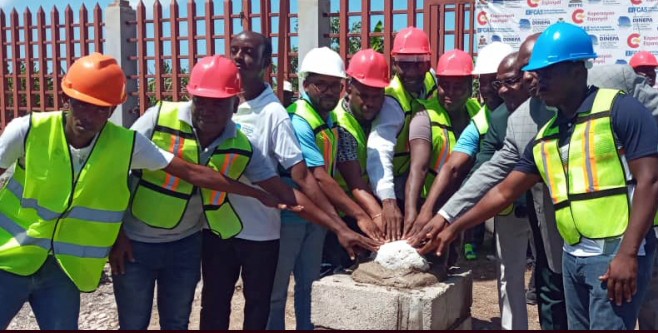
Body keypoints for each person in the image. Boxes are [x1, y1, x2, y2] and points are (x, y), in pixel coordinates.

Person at [0, 53, 293, 330]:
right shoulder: (27, 130)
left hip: (66, 267)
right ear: (66, 98)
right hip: (13, 258)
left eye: (100, 108)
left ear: (113, 109)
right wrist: (121, 237)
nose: (88, 115)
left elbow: (190, 172)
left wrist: (258, 194)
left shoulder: (125, 143)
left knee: (174, 322)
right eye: (81, 103)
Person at [429, 22, 658, 330]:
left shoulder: (619, 108)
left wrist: (629, 253)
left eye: (547, 72)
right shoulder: (546, 135)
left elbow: (650, 181)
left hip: (616, 254)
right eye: (536, 72)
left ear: (578, 70)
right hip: (573, 256)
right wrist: (452, 226)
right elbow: (503, 192)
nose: (537, 80)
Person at [196, 32, 377, 331]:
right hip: (218, 226)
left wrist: (343, 223)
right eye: (235, 51)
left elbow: (305, 175)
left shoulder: (276, 114)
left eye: (249, 52)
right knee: (216, 304)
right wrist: (343, 222)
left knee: (270, 300)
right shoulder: (219, 102)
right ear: (306, 84)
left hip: (263, 228)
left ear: (266, 62)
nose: (240, 58)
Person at [267, 47, 381, 330]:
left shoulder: (329, 119)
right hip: (290, 216)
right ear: (305, 84)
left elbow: (346, 171)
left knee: (310, 286)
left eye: (336, 85)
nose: (330, 91)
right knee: (276, 290)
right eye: (322, 84)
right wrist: (355, 217)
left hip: (315, 217)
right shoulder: (297, 119)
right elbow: (317, 176)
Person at [404, 49, 481, 259]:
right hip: (428, 200)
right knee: (427, 257)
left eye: (458, 87)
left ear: (469, 88)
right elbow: (417, 168)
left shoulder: (477, 111)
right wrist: (415, 211)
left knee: (451, 258)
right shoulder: (424, 116)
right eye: (445, 86)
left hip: (460, 201)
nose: (450, 93)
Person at [323, 49, 392, 271]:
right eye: (364, 95)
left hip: (361, 203)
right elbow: (354, 181)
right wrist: (378, 215)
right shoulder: (341, 124)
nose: (370, 103)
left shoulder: (383, 116)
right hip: (339, 210)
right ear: (349, 90)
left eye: (376, 96)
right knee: (335, 272)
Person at [368, 26, 437, 241]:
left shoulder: (431, 80)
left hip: (422, 173)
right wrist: (388, 201)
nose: (413, 71)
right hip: (393, 178)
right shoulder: (392, 101)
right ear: (395, 64)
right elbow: (380, 151)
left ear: (428, 63)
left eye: (420, 62)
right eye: (405, 64)